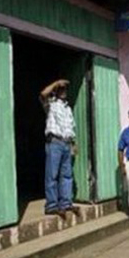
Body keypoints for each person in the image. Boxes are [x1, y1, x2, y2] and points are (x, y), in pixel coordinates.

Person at [40, 79, 80, 218]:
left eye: (64, 90)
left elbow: (70, 128)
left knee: (67, 175)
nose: (63, 92)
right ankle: (51, 205)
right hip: (55, 142)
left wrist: (73, 144)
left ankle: (66, 203)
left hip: (66, 143)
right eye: (60, 89)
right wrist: (56, 83)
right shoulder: (50, 104)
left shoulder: (67, 108)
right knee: (52, 174)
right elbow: (43, 94)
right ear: (56, 91)